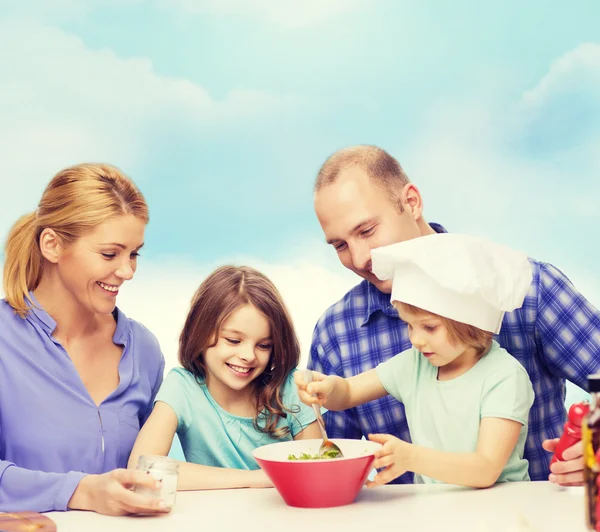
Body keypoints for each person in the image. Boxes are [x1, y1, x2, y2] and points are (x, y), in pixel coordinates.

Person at [308, 144, 600, 485]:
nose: (359, 259)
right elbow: (328, 457)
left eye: (367, 231)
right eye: (340, 245)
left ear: (411, 202)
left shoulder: (527, 290)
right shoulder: (337, 331)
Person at [297, 233, 535, 487]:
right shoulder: (415, 365)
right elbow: (349, 392)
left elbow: (485, 470)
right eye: (409, 325)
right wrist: (327, 388)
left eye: (430, 327)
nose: (416, 340)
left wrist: (411, 457)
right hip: (435, 510)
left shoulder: (504, 376)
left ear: (470, 322)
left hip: (500, 510)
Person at [0, 163, 167, 515]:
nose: (127, 271)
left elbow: (151, 468)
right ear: (52, 245)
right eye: (110, 254)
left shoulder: (144, 350)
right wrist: (81, 491)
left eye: (134, 254)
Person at [128, 265, 321, 489]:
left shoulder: (291, 388)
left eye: (264, 345)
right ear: (199, 331)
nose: (248, 356)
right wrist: (260, 478)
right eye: (233, 340)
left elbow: (318, 472)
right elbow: (141, 470)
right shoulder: (183, 387)